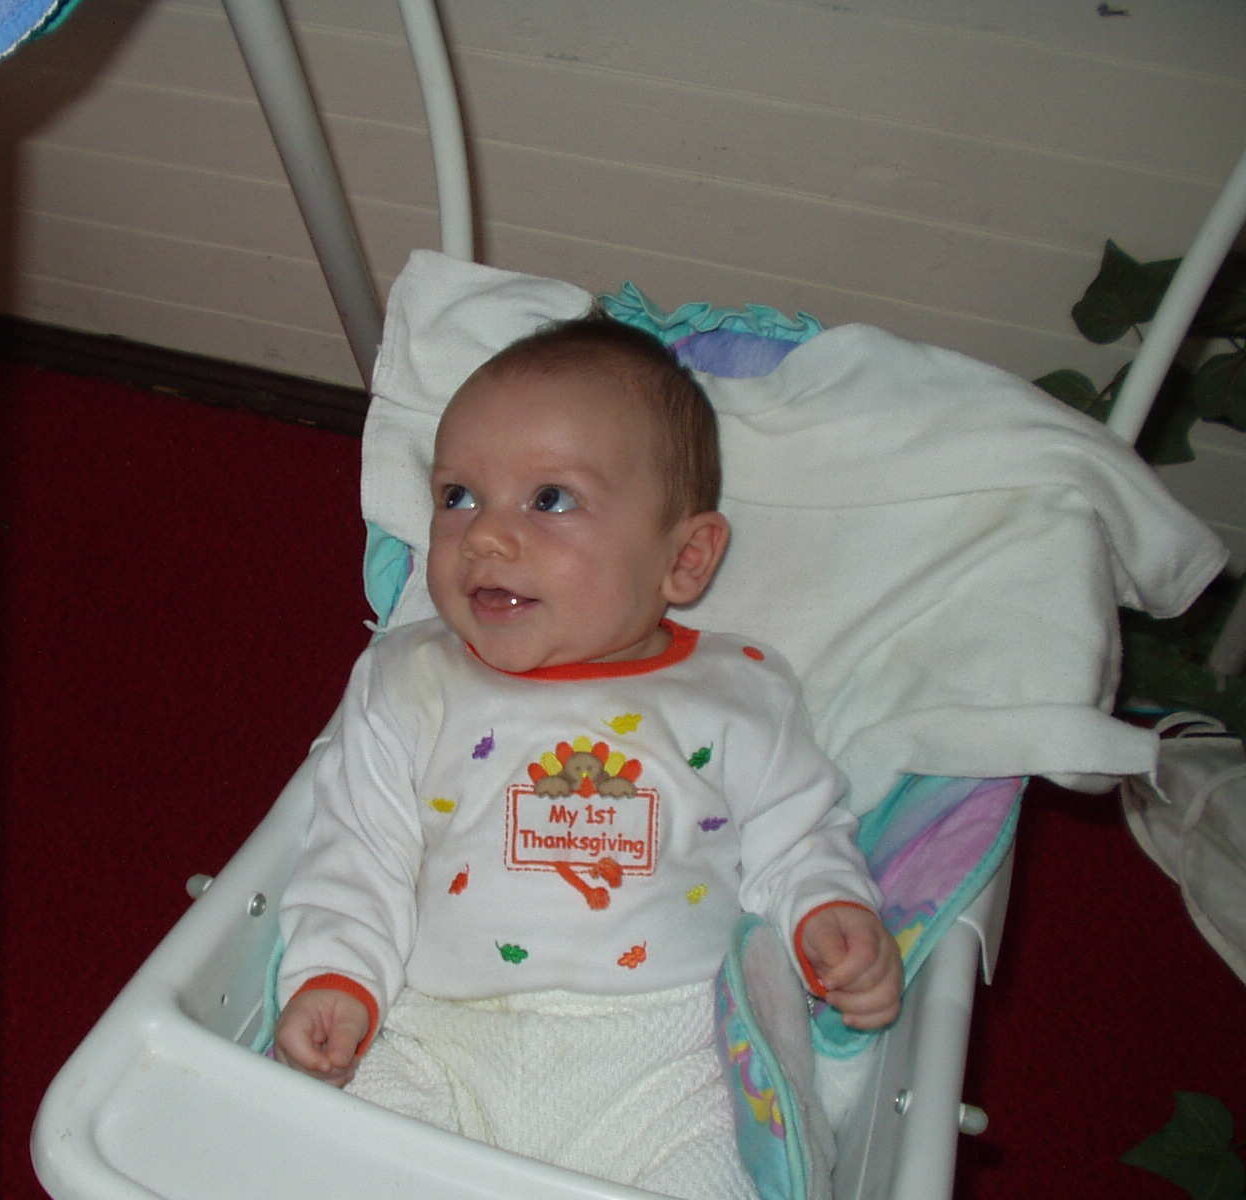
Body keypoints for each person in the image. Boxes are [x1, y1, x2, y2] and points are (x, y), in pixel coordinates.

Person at [272, 312, 902, 1198]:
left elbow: (796, 835)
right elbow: (357, 847)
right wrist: (338, 977)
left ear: (685, 558)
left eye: (550, 500)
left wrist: (827, 913)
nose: (485, 536)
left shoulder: (739, 692)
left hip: (669, 1058)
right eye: (458, 496)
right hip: (441, 1034)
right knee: (322, 1152)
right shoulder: (409, 679)